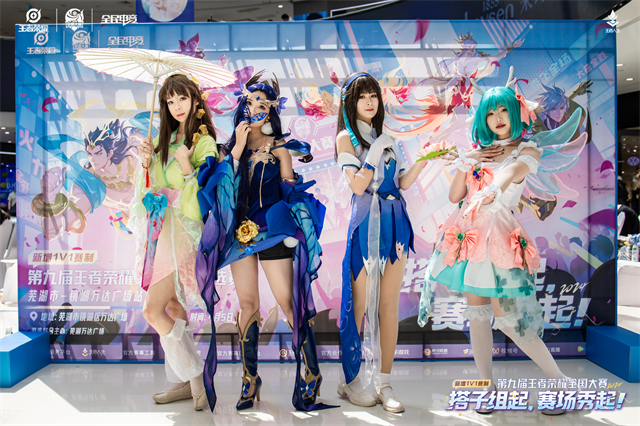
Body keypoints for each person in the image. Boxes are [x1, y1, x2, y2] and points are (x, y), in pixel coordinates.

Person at [418, 69, 571, 415]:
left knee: (510, 320)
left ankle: (560, 381)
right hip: (470, 237)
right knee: (477, 315)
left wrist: (491, 191)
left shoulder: (527, 150)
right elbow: (455, 195)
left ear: (516, 112)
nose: (498, 118)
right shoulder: (480, 152)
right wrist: (468, 161)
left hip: (499, 236)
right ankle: (486, 387)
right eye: (490, 113)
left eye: (503, 110)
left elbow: (511, 174)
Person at [196, 71, 330, 412]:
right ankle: (250, 378)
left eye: (262, 105)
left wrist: (287, 167)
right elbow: (223, 193)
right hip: (240, 234)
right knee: (248, 304)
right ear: (241, 106)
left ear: (271, 111)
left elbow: (289, 192)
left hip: (271, 230)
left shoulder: (281, 147)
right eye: (250, 102)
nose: (254, 109)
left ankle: (312, 373)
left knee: (287, 302)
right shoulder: (228, 149)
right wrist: (238, 150)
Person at [335, 72, 436, 413]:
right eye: (362, 96)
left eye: (373, 95)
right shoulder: (345, 139)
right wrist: (375, 150)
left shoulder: (387, 137)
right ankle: (350, 379)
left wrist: (427, 157)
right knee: (359, 306)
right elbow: (358, 186)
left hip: (395, 223)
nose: (369, 101)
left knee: (389, 306)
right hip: (366, 223)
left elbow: (401, 182)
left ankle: (385, 382)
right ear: (351, 103)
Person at [128, 73, 218, 411]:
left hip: (183, 231)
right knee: (172, 308)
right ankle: (186, 382)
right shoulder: (162, 140)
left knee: (152, 310)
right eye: (169, 100)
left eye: (182, 98)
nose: (176, 106)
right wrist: (146, 163)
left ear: (195, 100)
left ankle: (195, 375)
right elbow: (150, 190)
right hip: (161, 228)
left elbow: (205, 199)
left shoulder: (204, 142)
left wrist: (186, 166)